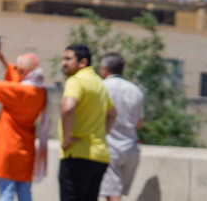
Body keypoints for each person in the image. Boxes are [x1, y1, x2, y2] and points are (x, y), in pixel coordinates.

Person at [0, 40, 48, 201]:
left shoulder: (17, 91)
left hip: (7, 147)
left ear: (23, 71)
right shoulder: (40, 92)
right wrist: (1, 57)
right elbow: (18, 77)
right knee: (25, 193)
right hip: (26, 149)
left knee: (6, 193)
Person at [58, 45, 116, 201]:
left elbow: (68, 109)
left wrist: (67, 138)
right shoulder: (98, 83)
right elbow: (112, 113)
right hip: (100, 157)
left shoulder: (76, 80)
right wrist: (102, 133)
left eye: (68, 59)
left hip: (77, 154)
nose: (63, 62)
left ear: (82, 62)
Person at [98, 52, 144, 201]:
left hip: (111, 146)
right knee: (116, 190)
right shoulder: (135, 90)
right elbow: (139, 123)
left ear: (104, 69)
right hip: (131, 147)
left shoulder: (101, 87)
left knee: (112, 193)